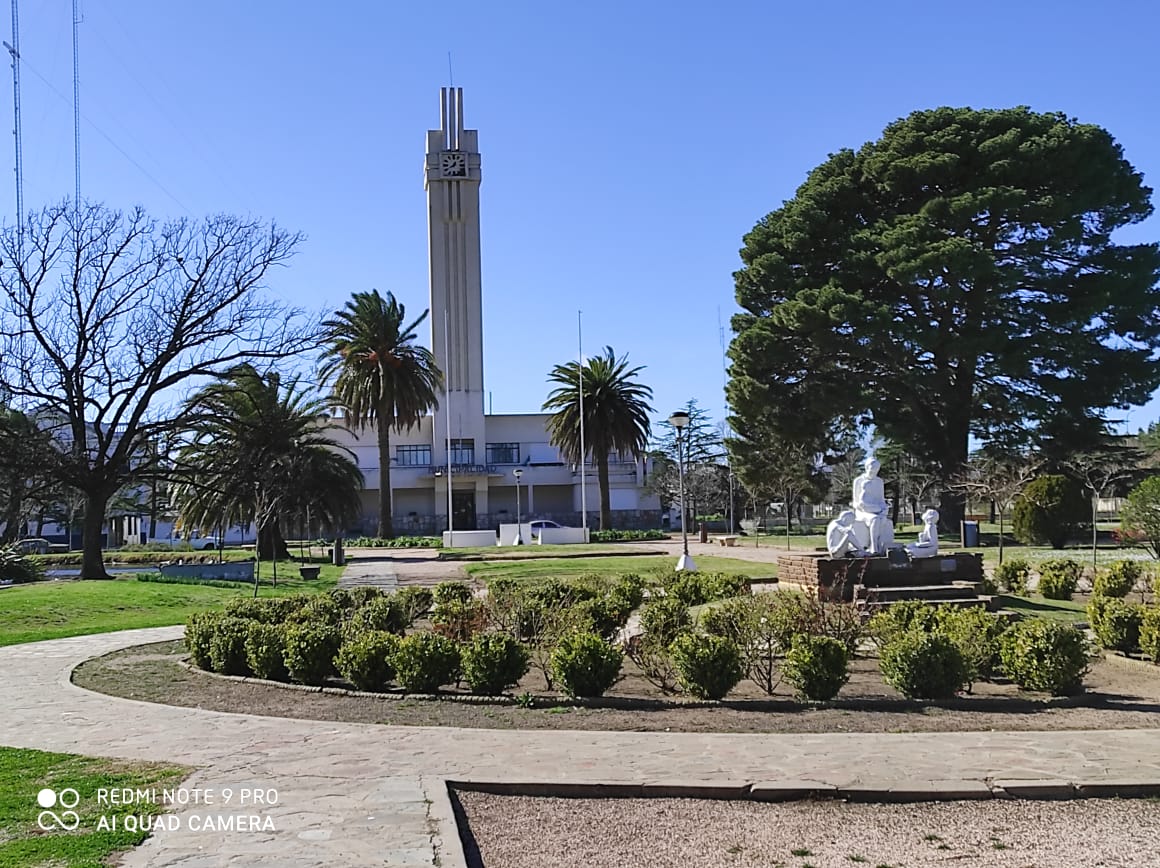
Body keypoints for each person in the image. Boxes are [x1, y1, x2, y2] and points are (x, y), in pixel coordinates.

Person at [852, 456, 894, 554]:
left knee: (882, 518)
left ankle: (881, 545)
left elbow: (881, 500)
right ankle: (874, 546)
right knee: (875, 519)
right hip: (862, 511)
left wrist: (884, 508)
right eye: (872, 469)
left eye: (876, 470)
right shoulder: (858, 481)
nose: (874, 472)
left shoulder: (879, 482)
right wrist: (862, 506)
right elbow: (856, 503)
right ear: (866, 468)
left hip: (877, 509)